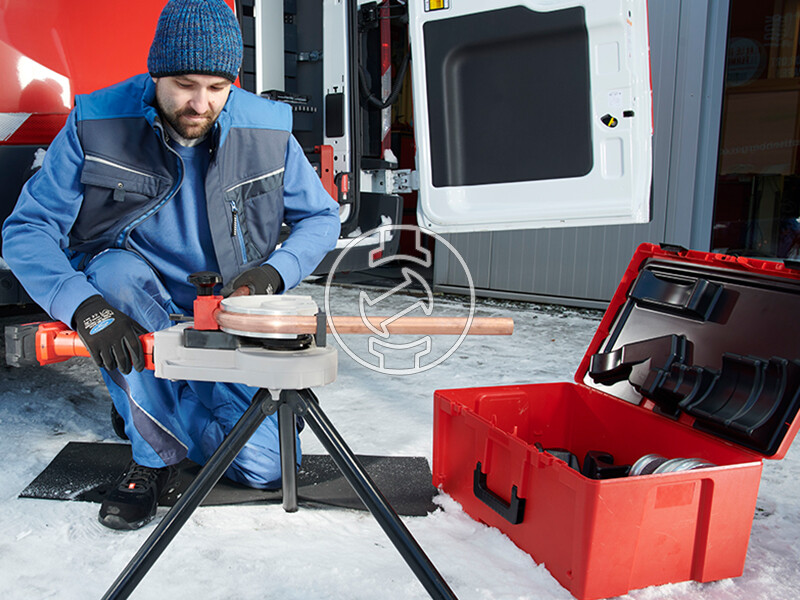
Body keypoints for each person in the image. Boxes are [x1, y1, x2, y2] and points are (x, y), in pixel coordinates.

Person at [2, 0, 340, 530]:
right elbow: (27, 229)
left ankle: (148, 403)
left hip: (227, 309)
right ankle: (149, 455)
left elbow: (321, 218)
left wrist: (273, 273)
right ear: (155, 71)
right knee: (116, 276)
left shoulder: (267, 129)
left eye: (217, 88)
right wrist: (86, 309)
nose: (200, 104)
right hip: (130, 301)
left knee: (268, 467)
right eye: (184, 83)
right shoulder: (96, 121)